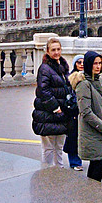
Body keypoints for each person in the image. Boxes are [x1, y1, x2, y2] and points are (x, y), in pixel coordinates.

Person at [71, 51, 102, 182]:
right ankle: (91, 192)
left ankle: (92, 191)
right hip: (93, 131)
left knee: (100, 164)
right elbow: (86, 111)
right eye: (95, 63)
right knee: (97, 165)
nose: (98, 66)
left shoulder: (101, 81)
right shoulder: (83, 84)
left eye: (100, 63)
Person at [32, 38, 74, 167]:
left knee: (59, 146)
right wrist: (55, 107)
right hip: (48, 113)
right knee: (49, 147)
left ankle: (59, 170)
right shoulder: (45, 68)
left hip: (62, 112)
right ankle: (47, 172)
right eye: (53, 50)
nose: (56, 52)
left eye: (58, 49)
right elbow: (43, 90)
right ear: (47, 51)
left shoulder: (63, 66)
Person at [63, 54, 85, 171]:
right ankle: (75, 161)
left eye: (83, 62)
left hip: (85, 110)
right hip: (74, 111)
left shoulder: (88, 76)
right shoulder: (70, 77)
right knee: (73, 137)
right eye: (79, 62)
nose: (81, 64)